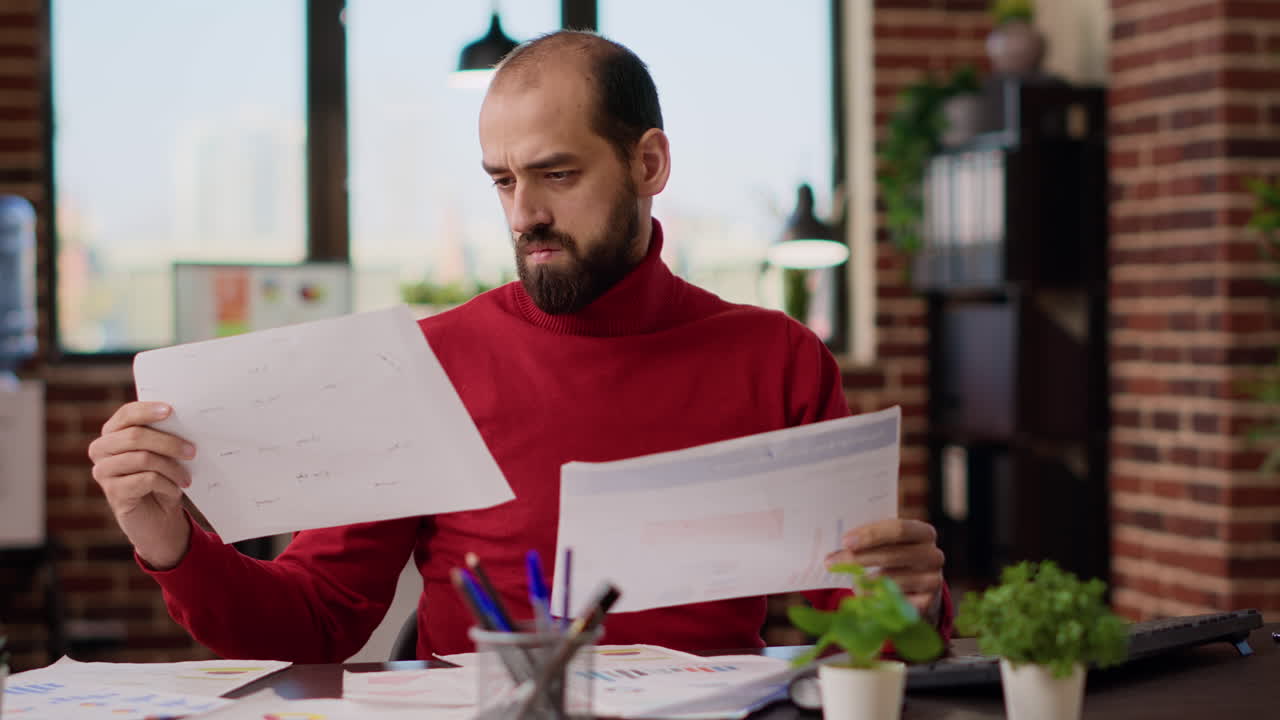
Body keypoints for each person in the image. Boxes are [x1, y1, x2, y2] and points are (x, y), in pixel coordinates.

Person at [87, 30, 950, 662]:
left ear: (649, 164)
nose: (522, 213)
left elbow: (858, 613)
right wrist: (169, 541)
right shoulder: (428, 359)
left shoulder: (777, 357)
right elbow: (319, 618)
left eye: (557, 174)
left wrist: (910, 601)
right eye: (502, 180)